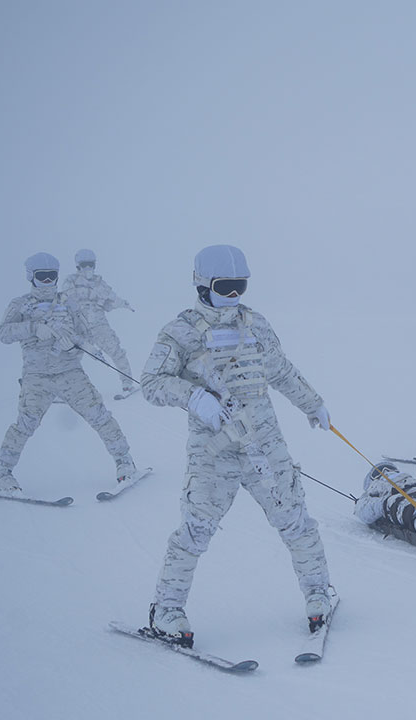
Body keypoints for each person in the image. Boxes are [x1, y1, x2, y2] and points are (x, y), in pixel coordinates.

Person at [140, 244, 334, 646]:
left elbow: (281, 370)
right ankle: (167, 610)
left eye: (240, 286)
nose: (233, 296)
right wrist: (195, 399)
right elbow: (152, 383)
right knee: (196, 530)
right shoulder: (181, 331)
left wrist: (312, 403)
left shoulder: (255, 324)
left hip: (265, 445)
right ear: (202, 285)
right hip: (213, 451)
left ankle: (318, 594)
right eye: (225, 286)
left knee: (295, 521)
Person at [0, 252, 136, 494]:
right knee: (25, 424)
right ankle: (1, 473)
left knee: (99, 415)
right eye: (42, 277)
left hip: (70, 373)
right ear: (31, 277)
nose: (47, 282)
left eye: (51, 277)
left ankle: (125, 462)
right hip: (37, 377)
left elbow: (86, 333)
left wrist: (76, 343)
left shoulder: (68, 303)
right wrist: (35, 328)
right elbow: (3, 333)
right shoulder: (20, 305)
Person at [59, 249, 137, 396]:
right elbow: (66, 300)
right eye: (84, 265)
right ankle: (64, 391)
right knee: (71, 357)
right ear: (78, 266)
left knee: (116, 351)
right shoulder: (71, 281)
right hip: (80, 325)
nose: (88, 268)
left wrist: (123, 304)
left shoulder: (99, 283)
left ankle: (127, 384)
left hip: (99, 324)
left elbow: (111, 299)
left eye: (91, 264)